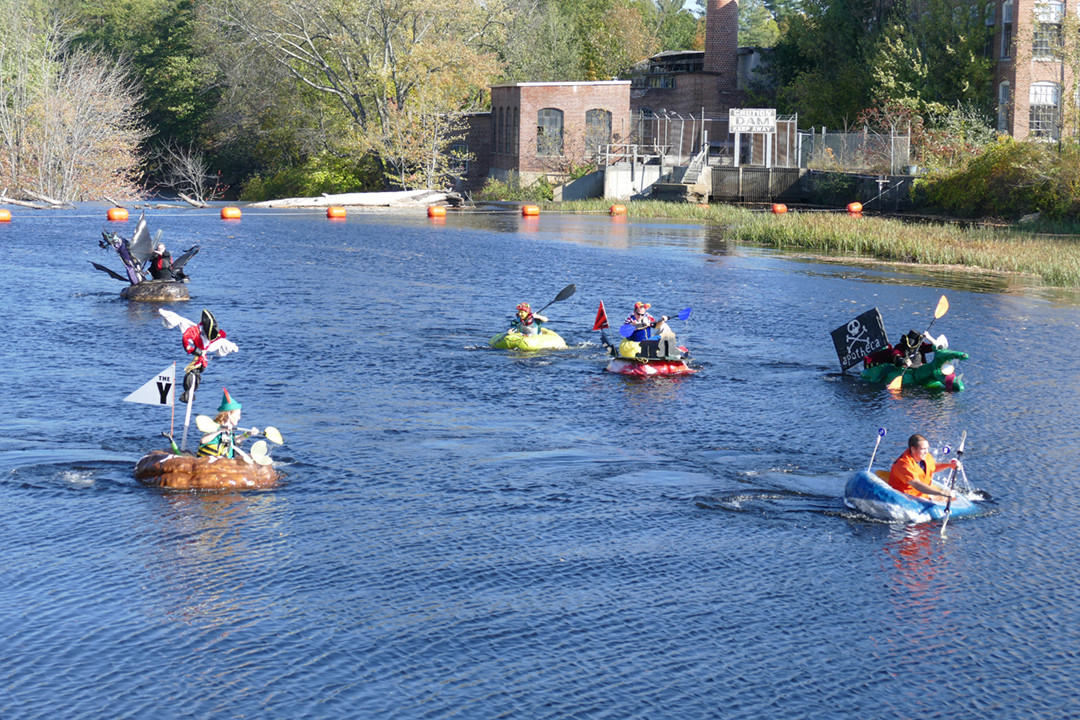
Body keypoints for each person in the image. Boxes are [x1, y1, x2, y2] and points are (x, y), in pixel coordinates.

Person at [888, 434, 960, 501]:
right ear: (913, 449)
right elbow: (917, 484)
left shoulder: (926, 456)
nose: (926, 451)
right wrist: (943, 493)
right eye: (923, 449)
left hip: (923, 496)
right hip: (906, 498)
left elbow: (932, 467)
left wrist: (949, 465)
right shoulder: (904, 464)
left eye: (927, 448)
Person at [181, 309, 228, 403]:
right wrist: (193, 350)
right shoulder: (194, 331)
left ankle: (191, 392)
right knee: (192, 373)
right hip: (198, 356)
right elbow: (185, 339)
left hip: (202, 359)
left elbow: (221, 336)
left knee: (197, 375)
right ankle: (187, 393)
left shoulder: (212, 335)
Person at [199, 389, 258, 459]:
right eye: (238, 415)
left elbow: (234, 440)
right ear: (229, 414)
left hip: (227, 463)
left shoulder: (229, 431)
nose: (239, 418)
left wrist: (248, 434)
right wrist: (220, 430)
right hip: (212, 466)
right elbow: (203, 440)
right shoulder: (215, 427)